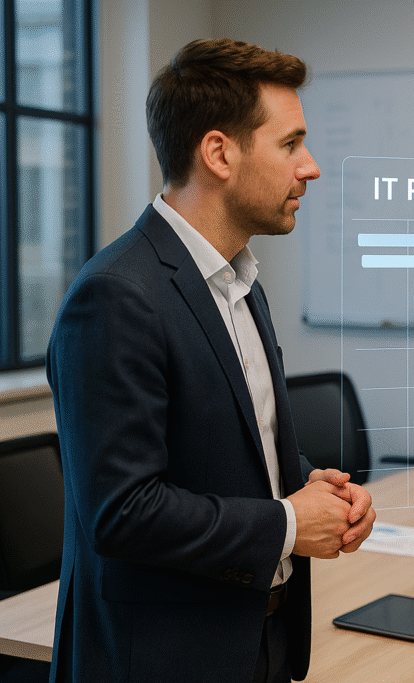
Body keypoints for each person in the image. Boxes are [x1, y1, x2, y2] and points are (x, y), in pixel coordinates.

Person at [45, 38, 375, 683]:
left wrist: (315, 490)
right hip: (161, 661)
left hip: (259, 641)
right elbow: (122, 511)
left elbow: (232, 451)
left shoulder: (240, 284)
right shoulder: (115, 297)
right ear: (219, 153)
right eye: (290, 144)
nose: (309, 167)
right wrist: (286, 523)